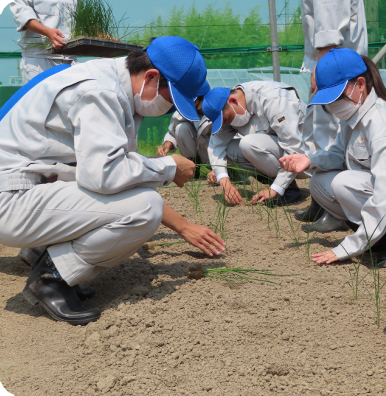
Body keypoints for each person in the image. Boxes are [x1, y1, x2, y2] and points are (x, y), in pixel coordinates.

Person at [0, 37, 225, 325]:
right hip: (12, 198)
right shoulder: (100, 93)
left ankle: (40, 250)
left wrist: (182, 225)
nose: (170, 110)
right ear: (152, 77)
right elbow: (106, 177)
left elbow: (121, 178)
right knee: (146, 208)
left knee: (138, 200)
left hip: (25, 187)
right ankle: (51, 278)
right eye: (172, 100)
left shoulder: (111, 83)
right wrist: (168, 166)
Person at [280, 48, 386, 267]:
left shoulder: (385, 125)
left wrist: (348, 247)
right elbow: (338, 155)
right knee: (319, 183)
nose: (333, 107)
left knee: (344, 183)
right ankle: (377, 235)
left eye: (337, 98)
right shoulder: (355, 115)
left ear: (360, 84)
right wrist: (310, 161)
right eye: (328, 101)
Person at [295, 0, 369, 223]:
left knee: (328, 129)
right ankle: (322, 201)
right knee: (320, 128)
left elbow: (330, 22)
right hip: (336, 61)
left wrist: (323, 64)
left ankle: (334, 208)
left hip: (337, 63)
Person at [202, 81, 309, 206]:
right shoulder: (231, 109)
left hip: (305, 158)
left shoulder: (273, 99)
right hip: (281, 156)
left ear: (233, 101)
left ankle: (288, 190)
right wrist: (225, 183)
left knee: (247, 143)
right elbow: (216, 146)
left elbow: (294, 147)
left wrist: (276, 188)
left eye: (227, 119)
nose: (227, 123)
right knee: (229, 150)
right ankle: (275, 182)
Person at [10, 0, 78, 84]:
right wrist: (47, 32)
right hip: (40, 58)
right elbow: (23, 15)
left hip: (69, 57)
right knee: (39, 95)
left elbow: (80, 17)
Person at [158, 81, 213, 165]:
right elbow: (172, 133)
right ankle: (192, 167)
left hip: (217, 156)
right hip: (200, 153)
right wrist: (168, 144)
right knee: (182, 128)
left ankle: (229, 171)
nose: (190, 105)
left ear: (204, 98)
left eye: (193, 102)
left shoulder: (217, 113)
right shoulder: (187, 111)